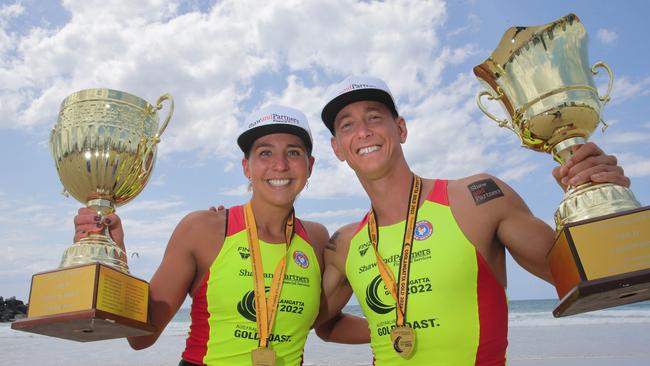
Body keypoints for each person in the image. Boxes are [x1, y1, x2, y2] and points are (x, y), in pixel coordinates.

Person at [314, 76, 630, 365]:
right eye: (347, 125)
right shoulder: (344, 243)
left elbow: (578, 276)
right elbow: (323, 325)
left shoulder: (477, 198)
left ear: (401, 129)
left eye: (374, 117)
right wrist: (391, 329)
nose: (363, 131)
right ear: (337, 148)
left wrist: (597, 201)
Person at [74, 104, 368, 366]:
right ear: (246, 167)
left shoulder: (316, 238)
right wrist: (115, 257)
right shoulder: (202, 230)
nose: (280, 164)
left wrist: (404, 328)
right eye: (265, 152)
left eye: (293, 152)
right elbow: (141, 339)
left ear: (310, 166)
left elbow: (323, 322)